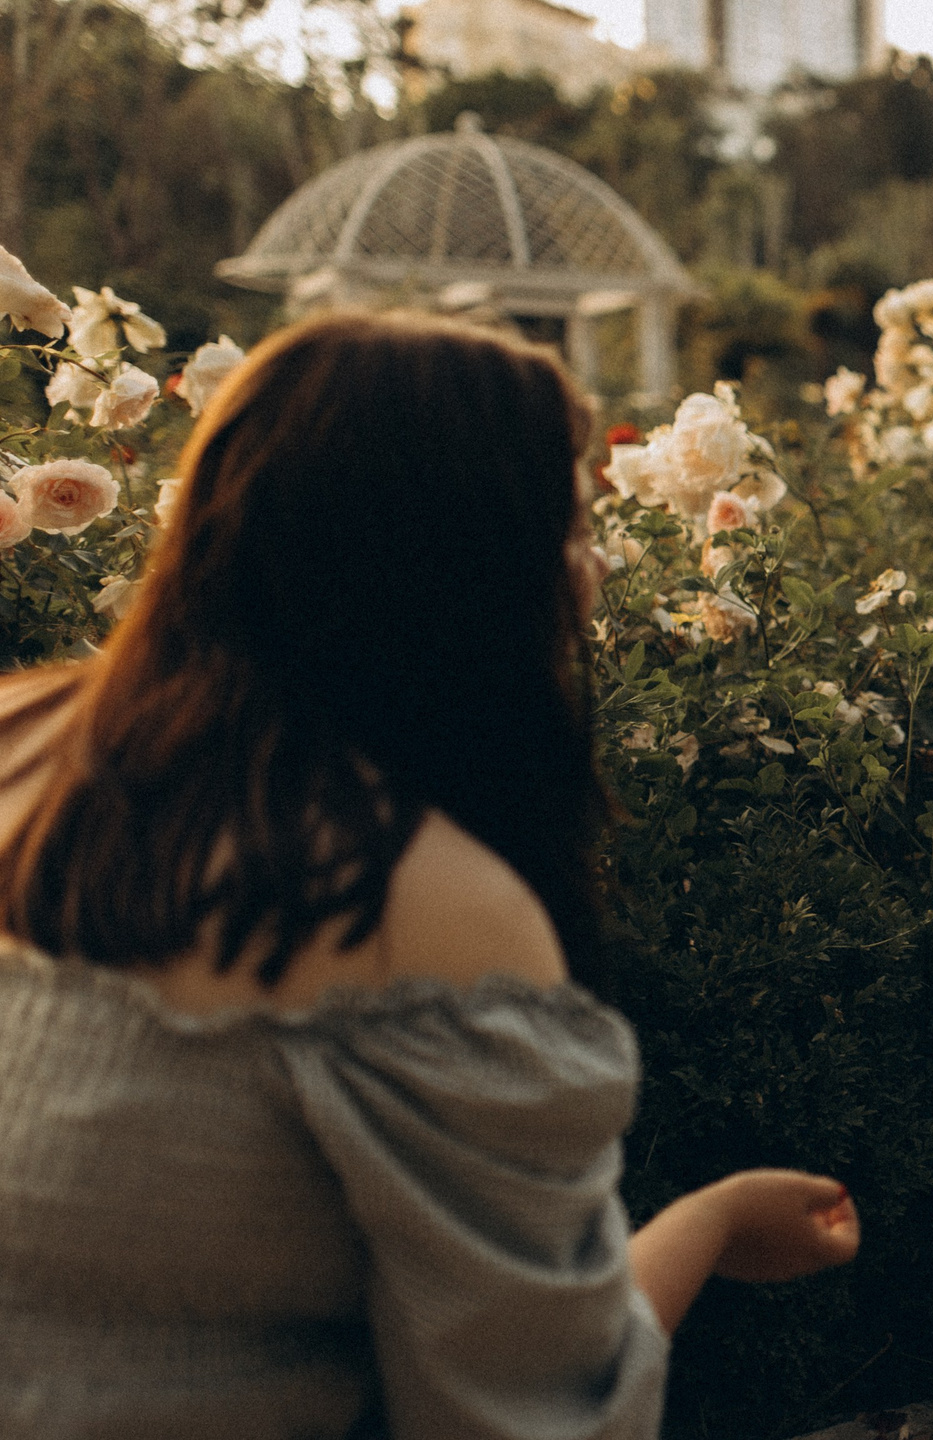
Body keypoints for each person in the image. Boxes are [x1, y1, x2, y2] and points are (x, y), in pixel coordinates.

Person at [0, 312, 860, 1438]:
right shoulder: (413, 904)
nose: (592, 567)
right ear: (456, 567)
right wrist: (713, 1222)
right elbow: (533, 1416)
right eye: (569, 526)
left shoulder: (25, 736)